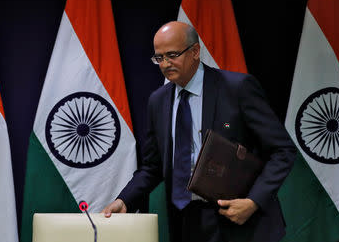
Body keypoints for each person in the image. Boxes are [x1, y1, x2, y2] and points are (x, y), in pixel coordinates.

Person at [102, 21, 296, 242]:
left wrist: (253, 201)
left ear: (195, 51)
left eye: (172, 55)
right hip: (185, 222)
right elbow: (153, 166)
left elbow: (283, 150)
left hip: (239, 220)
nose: (165, 64)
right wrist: (125, 200)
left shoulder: (237, 88)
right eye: (159, 58)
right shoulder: (158, 101)